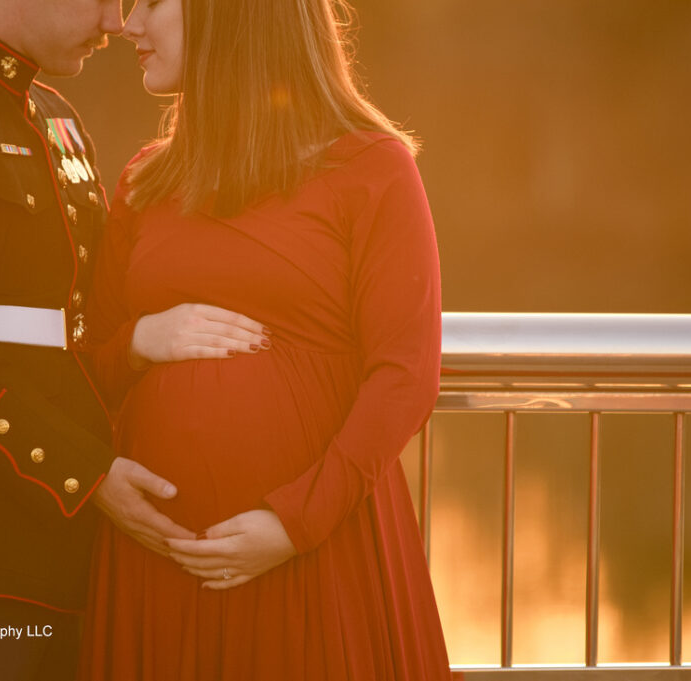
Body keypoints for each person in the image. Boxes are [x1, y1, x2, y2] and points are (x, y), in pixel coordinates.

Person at [0, 0, 263, 678]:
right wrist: (83, 472)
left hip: (60, 556)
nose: (117, 23)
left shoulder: (56, 120)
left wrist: (145, 341)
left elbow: (77, 324)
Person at [79, 0, 453, 678]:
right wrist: (139, 339)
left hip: (314, 560)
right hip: (156, 565)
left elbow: (405, 375)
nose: (127, 25)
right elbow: (85, 364)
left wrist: (294, 524)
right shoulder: (144, 178)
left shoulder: (373, 169)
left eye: (152, 3)